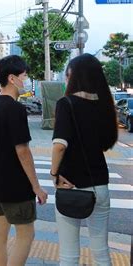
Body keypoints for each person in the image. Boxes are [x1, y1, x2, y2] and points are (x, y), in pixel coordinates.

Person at [50, 54, 117, 265]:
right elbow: (106, 141)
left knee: (69, 255)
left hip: (71, 185)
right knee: (101, 251)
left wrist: (54, 174)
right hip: (99, 185)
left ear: (73, 77)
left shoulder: (66, 104)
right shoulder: (105, 105)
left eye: (68, 75)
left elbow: (59, 145)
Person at [0, 55, 48, 266]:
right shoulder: (15, 108)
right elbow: (23, 150)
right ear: (12, 78)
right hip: (15, 187)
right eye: (24, 75)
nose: (26, 80)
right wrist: (36, 186)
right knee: (26, 234)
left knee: (0, 234)